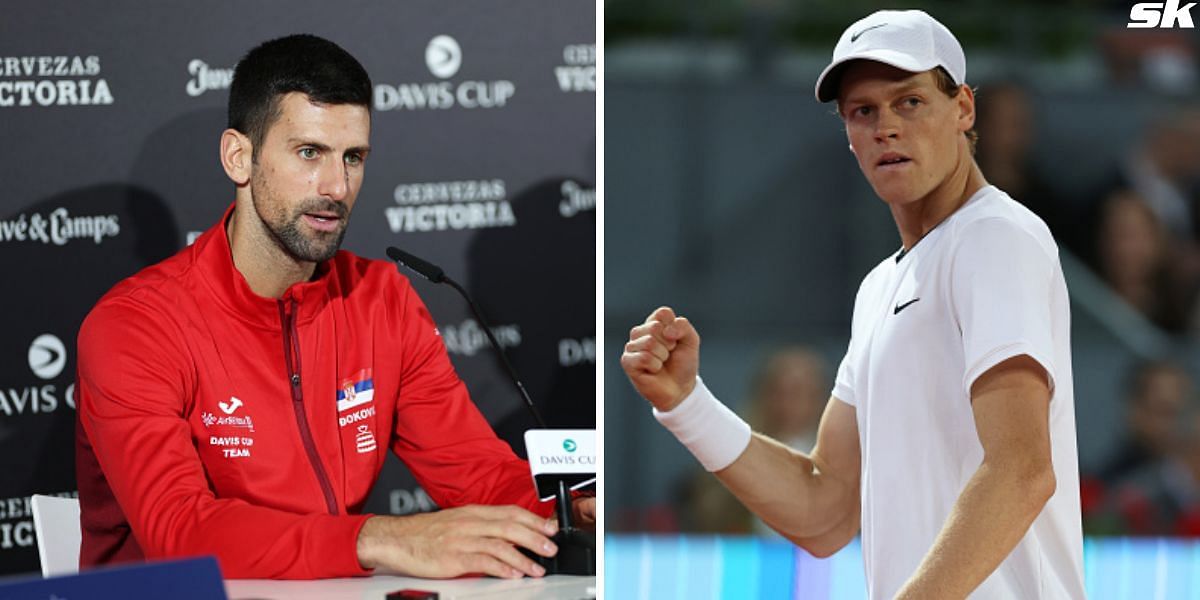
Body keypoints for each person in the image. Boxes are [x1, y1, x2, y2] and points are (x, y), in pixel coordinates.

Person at [75, 34, 593, 580]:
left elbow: (475, 471)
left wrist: (565, 512)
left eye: (354, 157)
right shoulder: (134, 325)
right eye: (308, 153)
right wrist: (379, 537)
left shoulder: (382, 298)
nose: (337, 186)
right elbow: (179, 532)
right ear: (239, 157)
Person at [621, 10, 1084, 599]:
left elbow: (1021, 471)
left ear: (964, 109)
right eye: (864, 111)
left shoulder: (995, 236)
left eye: (909, 102)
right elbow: (824, 505)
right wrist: (686, 405)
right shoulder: (879, 289)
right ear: (847, 132)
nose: (886, 127)